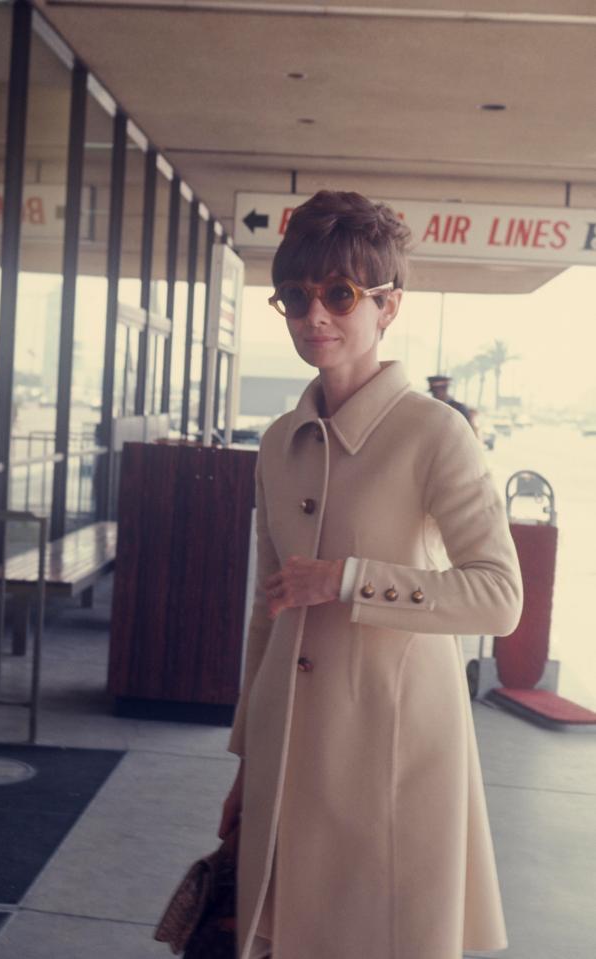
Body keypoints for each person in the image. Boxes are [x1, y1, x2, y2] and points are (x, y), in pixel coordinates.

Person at [219, 191, 522, 959]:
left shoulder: (434, 433)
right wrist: (247, 763)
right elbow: (269, 608)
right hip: (290, 752)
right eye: (295, 296)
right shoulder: (278, 442)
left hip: (397, 755)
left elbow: (499, 595)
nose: (313, 315)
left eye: (339, 293)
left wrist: (350, 579)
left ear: (387, 305)